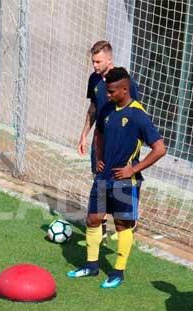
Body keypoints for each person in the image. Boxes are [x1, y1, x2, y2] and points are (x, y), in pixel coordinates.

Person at [68, 67, 166, 288]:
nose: (108, 95)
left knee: (122, 224)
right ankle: (91, 266)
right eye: (107, 91)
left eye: (112, 91)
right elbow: (99, 133)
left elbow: (160, 148)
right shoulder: (107, 109)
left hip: (124, 180)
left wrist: (133, 169)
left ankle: (118, 272)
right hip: (103, 176)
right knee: (93, 218)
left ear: (125, 89)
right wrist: (100, 156)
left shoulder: (138, 115)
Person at [77, 40, 140, 238]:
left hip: (122, 144)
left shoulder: (125, 83)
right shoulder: (93, 80)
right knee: (100, 178)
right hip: (100, 141)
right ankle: (101, 226)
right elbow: (93, 109)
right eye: (93, 61)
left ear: (109, 60)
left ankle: (128, 223)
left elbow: (135, 113)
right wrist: (84, 135)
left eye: (98, 61)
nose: (94, 65)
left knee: (123, 180)